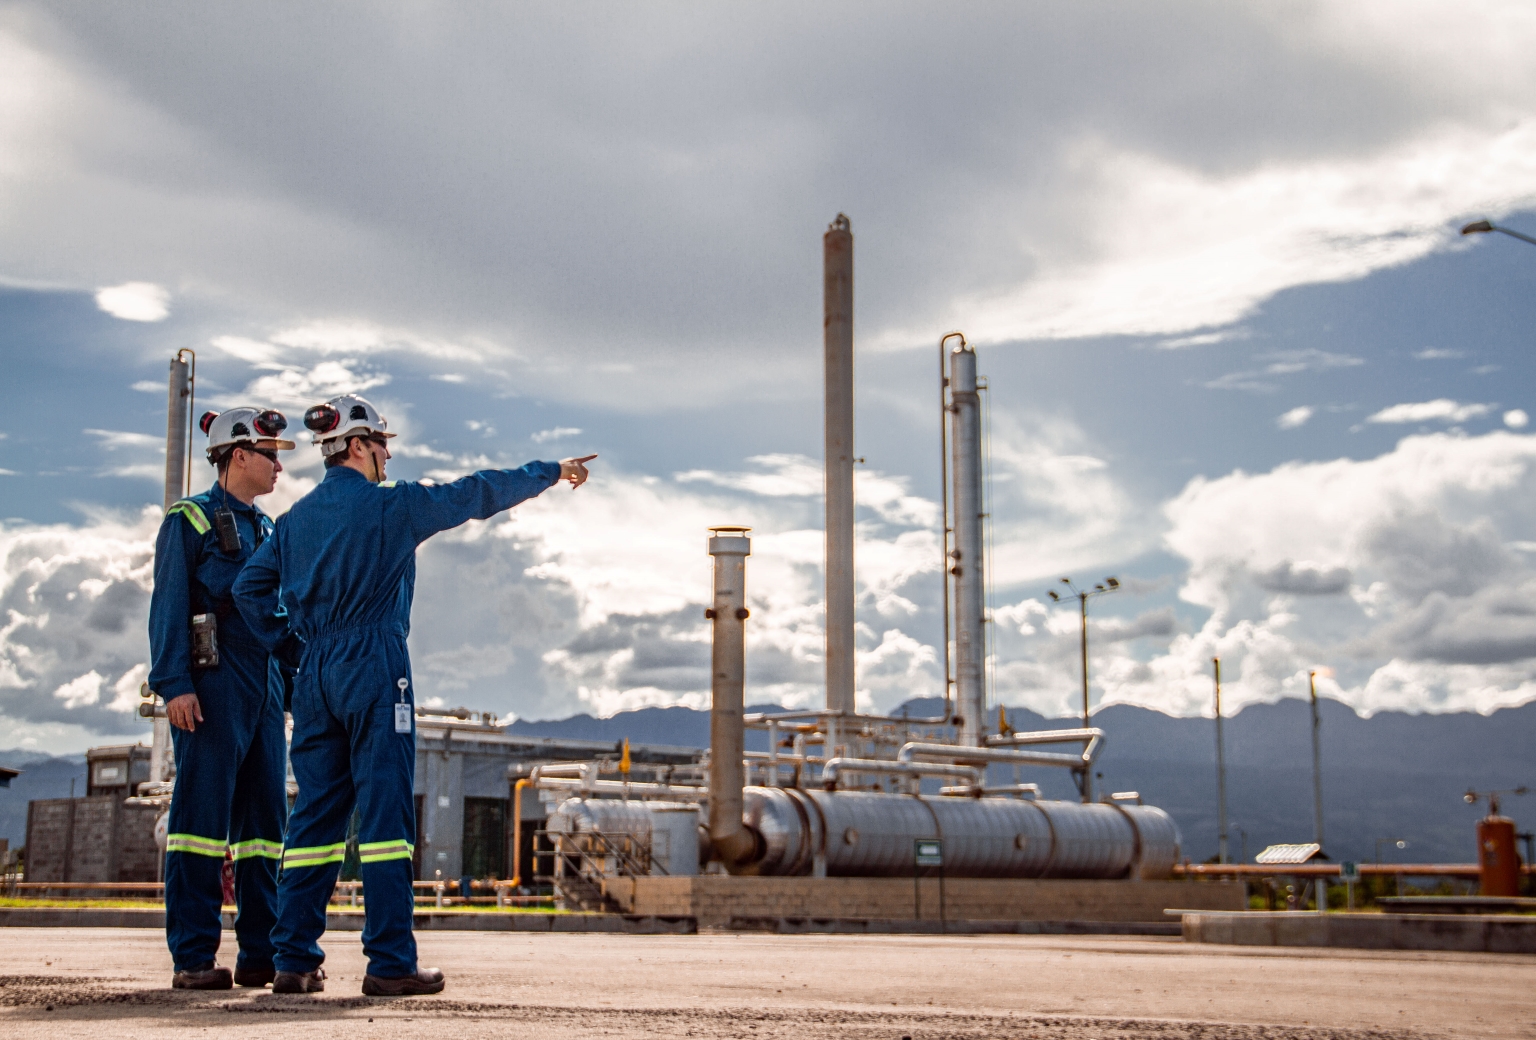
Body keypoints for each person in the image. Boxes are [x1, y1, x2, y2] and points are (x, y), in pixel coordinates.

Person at [233, 394, 594, 996]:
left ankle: (292, 960)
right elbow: (476, 493)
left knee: (314, 819)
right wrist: (551, 471)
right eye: (382, 445)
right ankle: (390, 962)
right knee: (384, 818)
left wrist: (293, 650)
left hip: (315, 673)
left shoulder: (293, 523)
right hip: (373, 663)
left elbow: (249, 588)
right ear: (357, 446)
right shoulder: (391, 507)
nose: (388, 455)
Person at [147, 406, 295, 990]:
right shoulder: (191, 520)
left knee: (266, 826)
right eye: (270, 454)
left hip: (265, 688)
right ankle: (193, 958)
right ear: (239, 455)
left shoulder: (270, 530)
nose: (278, 465)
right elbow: (168, 605)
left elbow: (285, 614)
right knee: (199, 823)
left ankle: (260, 953)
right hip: (210, 688)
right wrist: (175, 683)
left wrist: (297, 682)